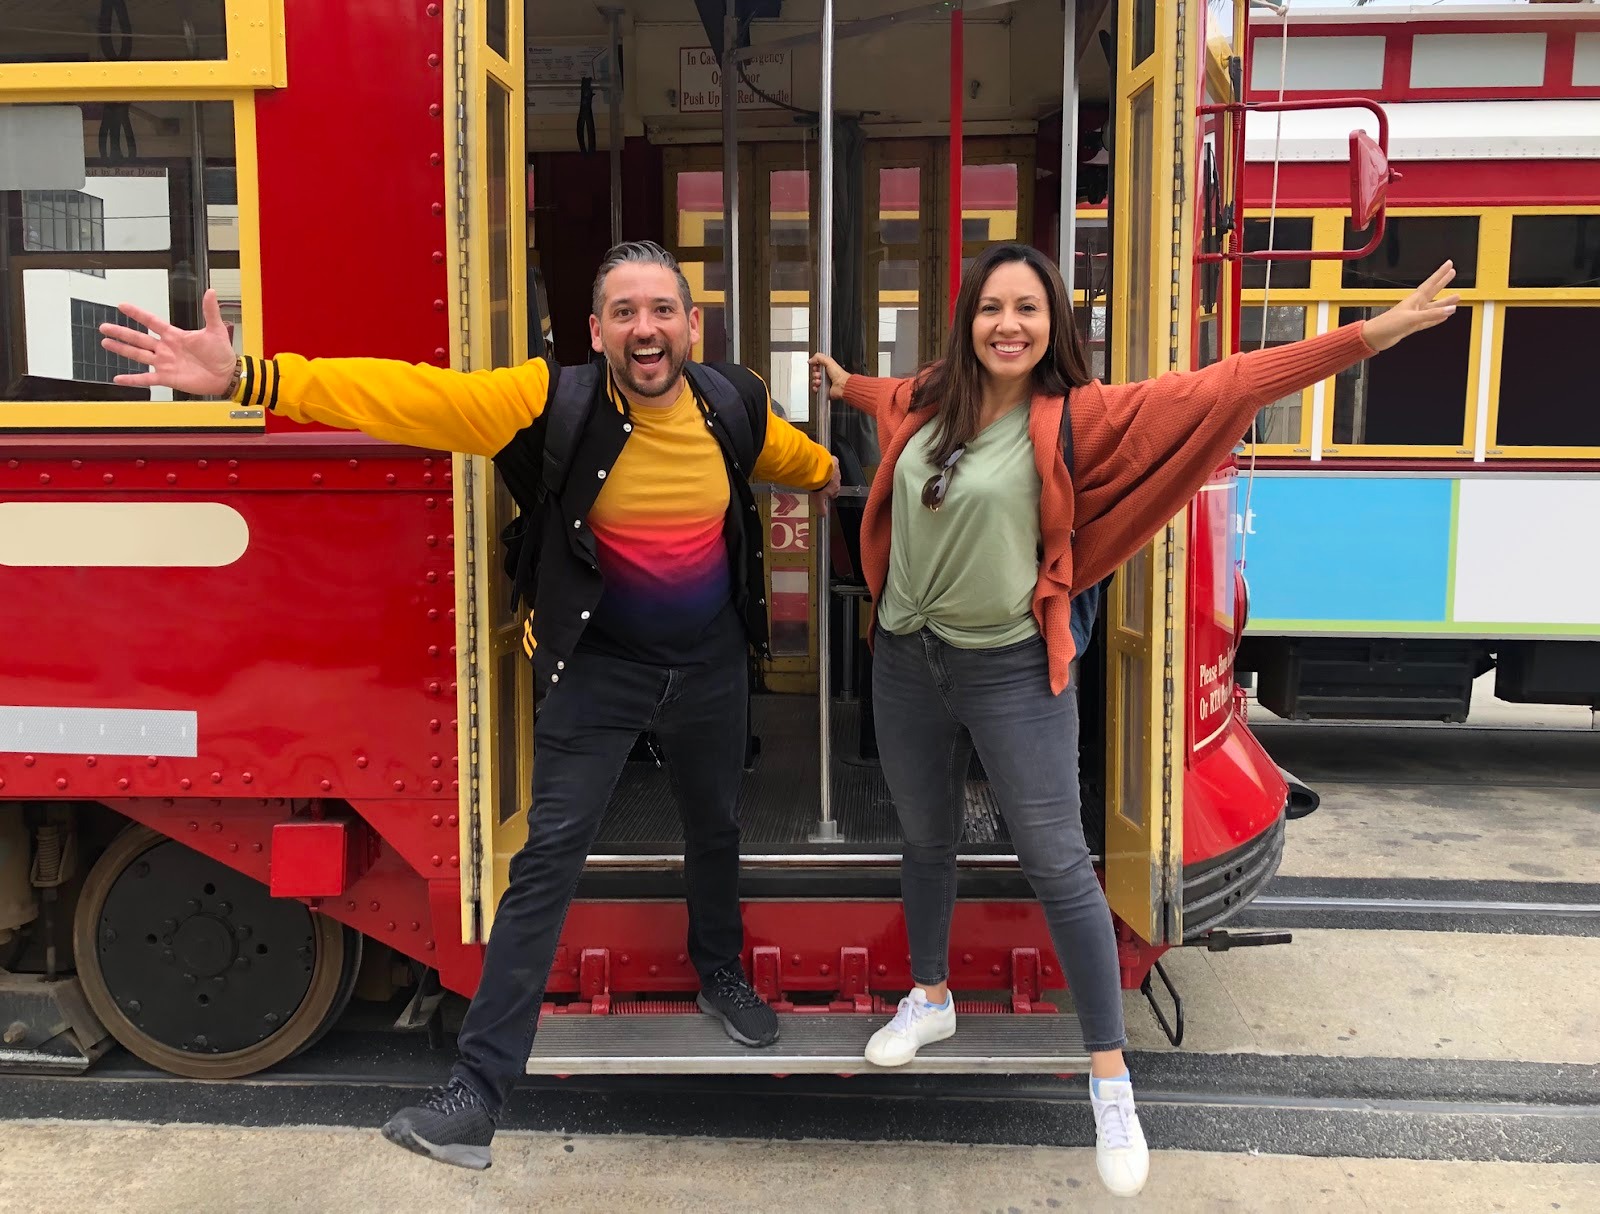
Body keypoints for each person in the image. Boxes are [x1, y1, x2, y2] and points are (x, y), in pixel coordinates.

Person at [101, 240, 841, 1170]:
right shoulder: (549, 398)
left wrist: (866, 472)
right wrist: (251, 375)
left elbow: (803, 462)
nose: (645, 330)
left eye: (662, 311)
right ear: (596, 330)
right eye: (624, 312)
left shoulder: (731, 402)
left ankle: (719, 971)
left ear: (694, 324)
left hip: (712, 668)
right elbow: (406, 394)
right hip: (599, 671)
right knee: (544, 869)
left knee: (715, 827)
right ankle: (477, 1094)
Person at [810, 243, 1458, 1197]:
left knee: (1058, 857)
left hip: (1012, 668)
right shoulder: (926, 400)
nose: (1009, 326)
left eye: (1028, 309)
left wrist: (1369, 334)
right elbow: (878, 396)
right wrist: (839, 381)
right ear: (968, 319)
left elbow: (1229, 382)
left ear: (1053, 325)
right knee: (925, 837)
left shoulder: (1080, 414)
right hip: (905, 661)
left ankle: (1109, 1075)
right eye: (993, 308)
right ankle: (932, 996)